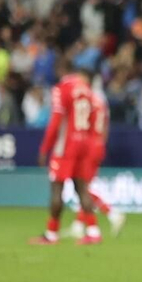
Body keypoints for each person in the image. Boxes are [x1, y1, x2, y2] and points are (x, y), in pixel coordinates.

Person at [30, 72, 101, 246]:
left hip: (66, 145)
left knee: (56, 189)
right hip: (84, 143)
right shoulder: (88, 91)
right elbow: (94, 121)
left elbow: (56, 120)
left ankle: (51, 234)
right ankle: (93, 232)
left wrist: (44, 148)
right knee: (82, 188)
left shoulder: (62, 89)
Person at [68, 84, 126, 239]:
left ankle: (112, 214)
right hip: (99, 144)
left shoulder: (87, 103)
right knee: (84, 186)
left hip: (88, 146)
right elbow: (105, 127)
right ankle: (78, 225)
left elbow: (82, 126)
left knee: (82, 188)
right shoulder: (101, 102)